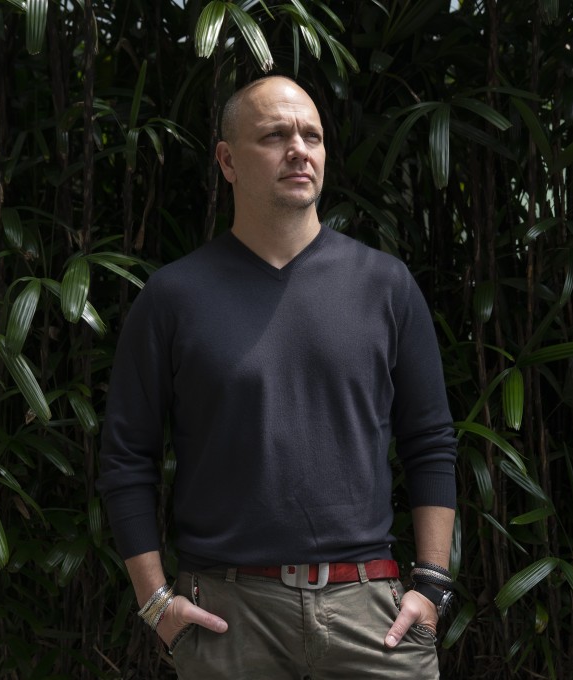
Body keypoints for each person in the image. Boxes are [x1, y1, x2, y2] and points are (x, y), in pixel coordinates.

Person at [97, 75, 458, 679]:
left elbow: (430, 441)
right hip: (228, 616)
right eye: (275, 134)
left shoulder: (385, 286)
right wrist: (155, 600)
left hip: (372, 616)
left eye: (311, 135)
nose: (299, 148)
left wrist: (433, 585)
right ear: (227, 160)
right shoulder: (174, 297)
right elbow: (126, 457)